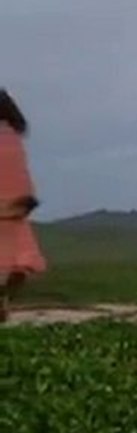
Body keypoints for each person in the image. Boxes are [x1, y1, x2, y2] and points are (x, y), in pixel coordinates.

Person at [0, 89, 46, 322]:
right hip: (16, 209)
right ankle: (4, 299)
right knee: (20, 264)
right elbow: (20, 175)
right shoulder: (13, 137)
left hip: (7, 209)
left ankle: (3, 301)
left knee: (16, 263)